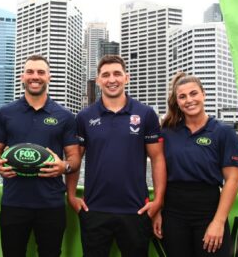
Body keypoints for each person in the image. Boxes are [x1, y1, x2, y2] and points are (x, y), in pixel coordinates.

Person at [66, 55, 167, 257]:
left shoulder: (145, 114)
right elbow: (74, 158)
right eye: (106, 75)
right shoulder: (84, 117)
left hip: (136, 211)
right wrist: (70, 195)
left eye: (117, 74)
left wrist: (158, 201)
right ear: (99, 81)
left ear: (126, 78)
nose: (112, 79)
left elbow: (157, 159)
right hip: (94, 210)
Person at [0, 54, 81, 257]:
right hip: (14, 202)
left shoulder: (64, 116)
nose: (35, 76)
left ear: (49, 77)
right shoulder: (5, 113)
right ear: (22, 76)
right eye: (30, 71)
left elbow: (74, 157)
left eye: (40, 72)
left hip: (51, 204)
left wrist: (62, 166)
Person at [154, 72, 238, 256]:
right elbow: (158, 171)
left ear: (204, 94)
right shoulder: (167, 132)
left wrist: (218, 222)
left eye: (194, 94)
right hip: (173, 213)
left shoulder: (224, 132)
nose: (189, 100)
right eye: (182, 96)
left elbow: (233, 179)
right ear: (177, 102)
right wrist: (157, 211)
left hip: (208, 211)